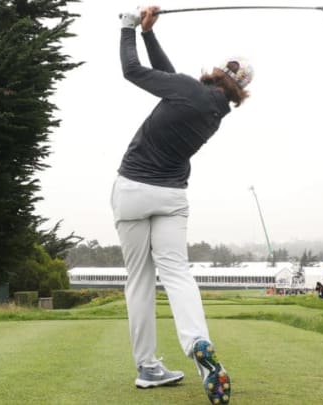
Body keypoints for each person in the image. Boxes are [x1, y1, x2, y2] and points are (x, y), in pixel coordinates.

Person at [113, 7, 250, 404]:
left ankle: (148, 367)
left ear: (215, 72)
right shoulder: (215, 112)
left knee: (139, 279)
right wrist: (150, 35)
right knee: (177, 274)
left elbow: (133, 71)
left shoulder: (191, 91)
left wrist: (127, 27)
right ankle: (198, 344)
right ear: (239, 90)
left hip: (132, 190)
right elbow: (171, 79)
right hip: (172, 197)